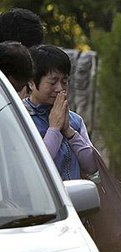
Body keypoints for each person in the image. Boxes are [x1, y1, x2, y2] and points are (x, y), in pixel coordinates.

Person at [24, 44, 97, 181]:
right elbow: (37, 166)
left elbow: (92, 166)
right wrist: (54, 129)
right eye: (53, 83)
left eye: (64, 82)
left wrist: (69, 131)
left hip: (75, 199)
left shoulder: (74, 120)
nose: (60, 88)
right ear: (32, 83)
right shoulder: (21, 118)